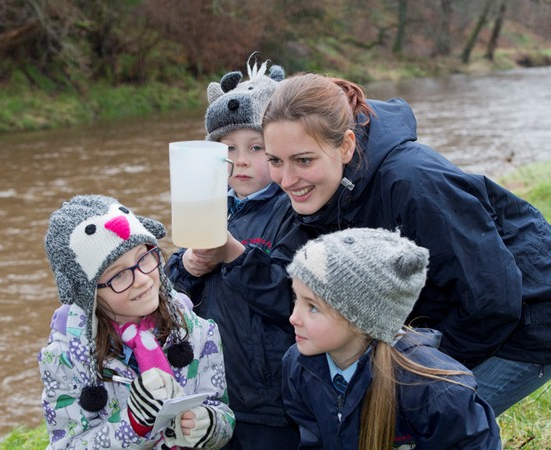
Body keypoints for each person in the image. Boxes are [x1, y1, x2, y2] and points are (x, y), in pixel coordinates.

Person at [262, 72, 551, 417]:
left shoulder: (414, 182)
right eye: (274, 161)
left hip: (535, 313)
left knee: (421, 423)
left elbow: (492, 299)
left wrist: (412, 370)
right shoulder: (317, 186)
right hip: (458, 304)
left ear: (346, 145)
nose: (286, 180)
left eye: (303, 160)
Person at [167, 56, 306, 449]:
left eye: (256, 147)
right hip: (211, 390)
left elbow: (290, 297)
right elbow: (171, 298)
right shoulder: (206, 204)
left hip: (273, 399)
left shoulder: (292, 210)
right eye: (228, 149)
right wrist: (189, 266)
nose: (240, 160)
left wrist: (233, 254)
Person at [39, 194, 234, 449]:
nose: (142, 278)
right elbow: (67, 444)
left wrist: (210, 425)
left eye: (144, 257)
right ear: (88, 294)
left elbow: (220, 409)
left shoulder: (196, 330)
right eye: (118, 275)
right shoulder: (65, 359)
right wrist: (134, 425)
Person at [283, 227, 502, 449]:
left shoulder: (437, 393)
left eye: (312, 307)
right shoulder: (299, 365)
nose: (293, 317)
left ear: (362, 318)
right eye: (296, 298)